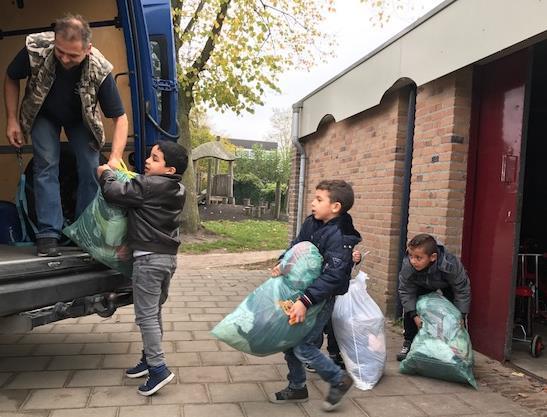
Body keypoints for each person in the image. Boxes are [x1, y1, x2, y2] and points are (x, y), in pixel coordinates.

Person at [4, 14, 128, 257]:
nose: (64, 59)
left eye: (73, 55)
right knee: (46, 165)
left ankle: (84, 231)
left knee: (91, 167)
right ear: (54, 41)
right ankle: (48, 234)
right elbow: (11, 77)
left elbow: (120, 118)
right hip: (43, 114)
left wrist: (115, 157)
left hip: (81, 120)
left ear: (88, 49)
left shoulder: (100, 68)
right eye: (60, 52)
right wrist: (11, 120)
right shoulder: (36, 48)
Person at [97, 140, 187, 396]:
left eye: (155, 158)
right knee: (153, 311)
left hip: (148, 261)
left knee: (146, 316)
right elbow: (148, 216)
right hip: (166, 259)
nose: (147, 161)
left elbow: (115, 192)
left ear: (169, 170)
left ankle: (158, 369)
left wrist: (107, 174)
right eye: (150, 156)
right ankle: (149, 359)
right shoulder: (178, 189)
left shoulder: (148, 185)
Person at [269, 179, 361, 411]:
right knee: (289, 341)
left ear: (335, 207)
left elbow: (334, 276)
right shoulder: (312, 223)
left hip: (320, 298)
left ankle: (338, 378)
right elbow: (296, 246)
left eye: (319, 199)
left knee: (303, 345)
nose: (312, 202)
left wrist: (304, 301)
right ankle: (298, 386)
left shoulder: (341, 236)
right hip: (300, 291)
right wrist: (283, 262)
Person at [397, 233, 471, 361]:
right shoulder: (408, 266)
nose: (413, 261)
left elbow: (462, 290)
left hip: (446, 283)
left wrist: (461, 315)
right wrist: (414, 315)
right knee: (410, 307)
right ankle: (409, 342)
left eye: (418, 258)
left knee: (453, 314)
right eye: (411, 256)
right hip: (419, 284)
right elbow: (406, 291)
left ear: (433, 257)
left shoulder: (450, 264)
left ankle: (454, 347)